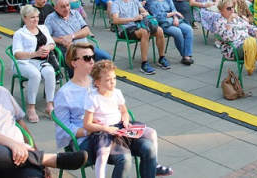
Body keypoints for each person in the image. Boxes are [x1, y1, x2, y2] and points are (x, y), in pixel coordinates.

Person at [54, 44, 173, 178]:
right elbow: (63, 132)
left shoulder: (100, 80)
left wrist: (123, 117)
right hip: (87, 139)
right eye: (87, 58)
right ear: (73, 62)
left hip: (115, 129)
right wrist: (92, 129)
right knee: (124, 158)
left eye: (93, 57)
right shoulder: (65, 94)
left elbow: (116, 104)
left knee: (149, 148)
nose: (92, 61)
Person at [83, 59, 171, 178]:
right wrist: (106, 128)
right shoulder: (93, 98)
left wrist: (125, 120)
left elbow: (124, 111)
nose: (112, 82)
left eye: (114, 78)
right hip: (104, 132)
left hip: (120, 127)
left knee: (152, 133)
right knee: (103, 153)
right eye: (108, 80)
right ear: (98, 82)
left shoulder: (117, 93)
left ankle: (154, 165)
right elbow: (87, 125)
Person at [112, 0, 168, 75]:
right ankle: (144, 63)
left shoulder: (134, 0)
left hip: (138, 25)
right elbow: (115, 20)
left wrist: (144, 13)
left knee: (159, 30)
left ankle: (161, 58)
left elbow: (144, 10)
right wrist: (133, 18)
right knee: (145, 32)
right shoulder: (116, 3)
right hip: (125, 29)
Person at [14, 5, 58, 123]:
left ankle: (49, 105)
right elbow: (17, 54)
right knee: (35, 75)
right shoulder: (19, 33)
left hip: (40, 61)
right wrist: (35, 53)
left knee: (50, 71)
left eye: (37, 17)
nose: (36, 19)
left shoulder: (42, 28)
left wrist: (47, 48)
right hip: (23, 62)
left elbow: (52, 43)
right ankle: (31, 108)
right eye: (32, 17)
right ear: (25, 18)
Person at [45, 0, 112, 62]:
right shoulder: (50, 19)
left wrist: (71, 36)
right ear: (56, 8)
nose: (66, 8)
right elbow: (47, 37)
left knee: (106, 57)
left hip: (85, 47)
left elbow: (86, 30)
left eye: (68, 5)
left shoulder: (75, 13)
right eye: (63, 7)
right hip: (68, 51)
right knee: (77, 61)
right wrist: (61, 41)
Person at [145, 0, 194, 66]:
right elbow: (157, 15)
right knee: (177, 32)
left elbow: (174, 10)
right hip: (163, 23)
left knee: (189, 29)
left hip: (174, 20)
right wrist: (173, 14)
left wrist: (175, 18)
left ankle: (187, 55)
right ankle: (185, 56)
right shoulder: (151, 1)